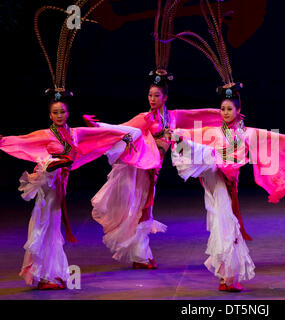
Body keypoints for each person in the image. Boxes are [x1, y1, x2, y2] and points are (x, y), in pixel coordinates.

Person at [167, 0, 285, 291]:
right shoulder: (211, 131)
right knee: (225, 219)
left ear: (238, 110)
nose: (225, 113)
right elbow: (188, 133)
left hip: (229, 182)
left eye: (230, 109)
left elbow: (279, 139)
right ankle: (228, 276)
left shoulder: (248, 133)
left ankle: (227, 276)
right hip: (214, 178)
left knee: (225, 225)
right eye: (222, 109)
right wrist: (175, 135)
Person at [85, 0, 224, 270]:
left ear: (165, 96)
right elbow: (121, 129)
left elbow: (198, 116)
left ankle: (141, 254)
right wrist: (96, 126)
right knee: (140, 208)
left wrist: (222, 115)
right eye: (149, 95)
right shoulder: (145, 118)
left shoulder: (170, 116)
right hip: (141, 170)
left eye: (156, 95)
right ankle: (141, 255)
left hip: (154, 170)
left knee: (145, 208)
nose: (151, 99)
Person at [0, 96, 131, 289]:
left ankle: (50, 273)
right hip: (49, 185)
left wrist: (120, 135)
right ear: (50, 115)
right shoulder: (47, 134)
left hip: (61, 186)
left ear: (68, 113)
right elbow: (23, 141)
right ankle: (43, 275)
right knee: (45, 224)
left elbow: (98, 136)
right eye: (55, 112)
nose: (59, 115)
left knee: (53, 227)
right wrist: (3, 141)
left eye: (62, 111)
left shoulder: (73, 133)